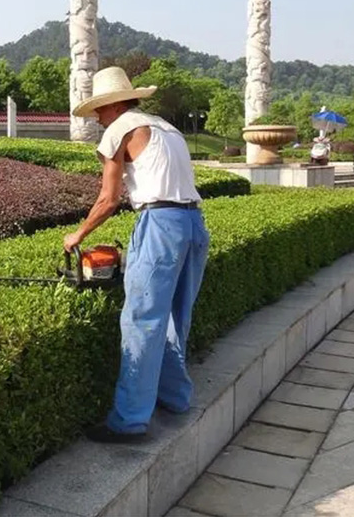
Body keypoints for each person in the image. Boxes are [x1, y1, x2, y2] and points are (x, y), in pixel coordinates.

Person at [63, 66, 210, 442]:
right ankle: (175, 398)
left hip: (160, 224)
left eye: (98, 110)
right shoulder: (166, 126)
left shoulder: (119, 129)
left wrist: (77, 234)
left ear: (112, 106)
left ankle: (129, 421)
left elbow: (109, 198)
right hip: (193, 223)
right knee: (176, 318)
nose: (96, 117)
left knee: (141, 321)